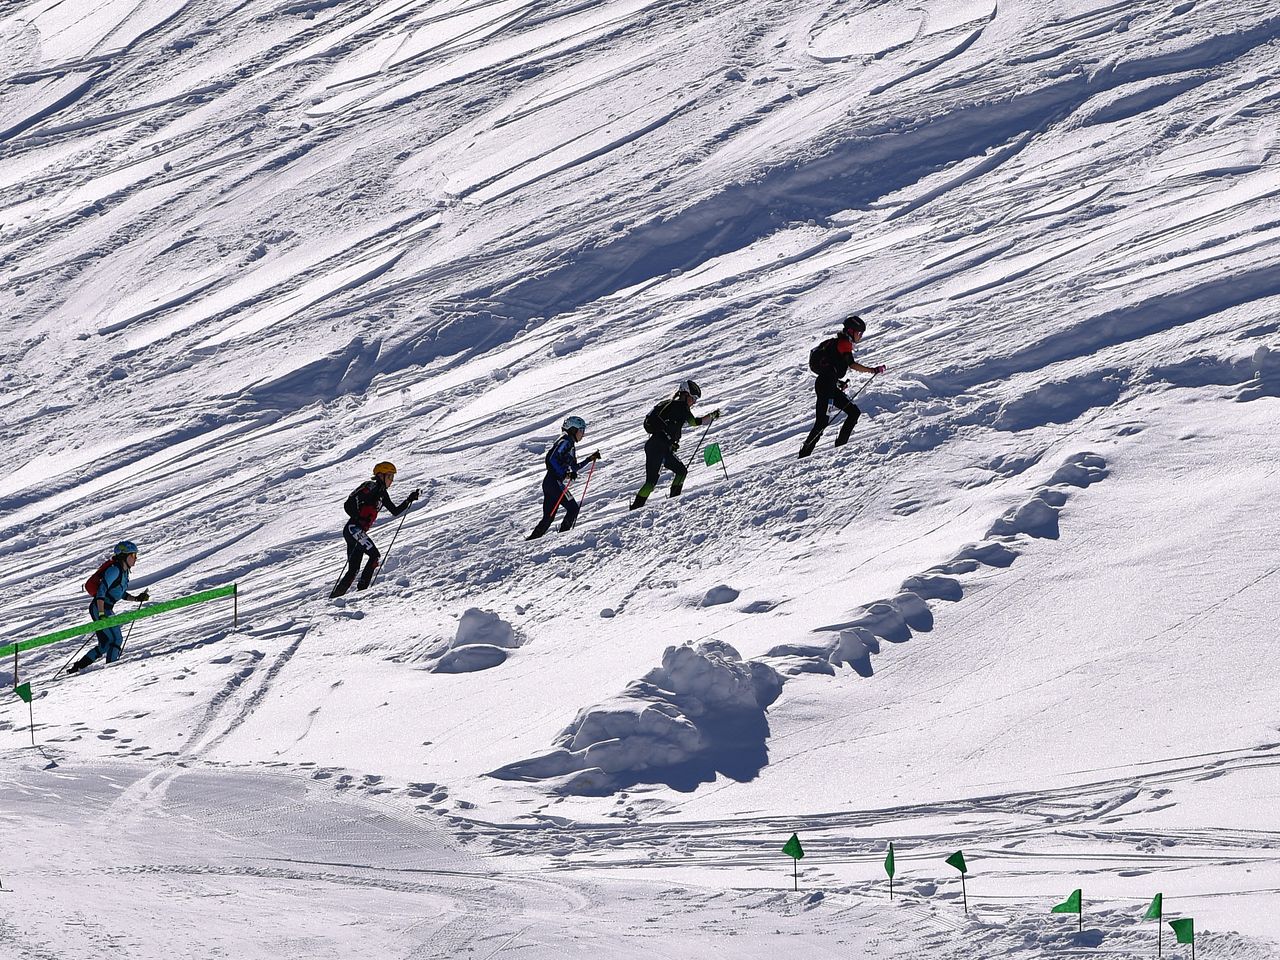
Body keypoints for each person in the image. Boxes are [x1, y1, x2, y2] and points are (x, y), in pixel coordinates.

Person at [798, 315, 886, 458]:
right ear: (851, 331)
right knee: (822, 422)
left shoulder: (837, 343)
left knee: (853, 412)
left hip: (829, 385)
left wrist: (838, 383)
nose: (860, 336)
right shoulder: (844, 343)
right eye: (859, 333)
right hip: (826, 387)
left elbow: (829, 369)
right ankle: (804, 455)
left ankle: (840, 448)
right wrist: (872, 370)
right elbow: (851, 364)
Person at [330, 462, 419, 598]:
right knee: (374, 556)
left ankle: (335, 597)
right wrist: (357, 517)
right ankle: (362, 591)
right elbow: (349, 504)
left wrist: (408, 500)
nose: (391, 480)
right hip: (353, 529)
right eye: (389, 476)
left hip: (355, 531)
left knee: (353, 570)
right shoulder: (371, 486)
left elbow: (394, 511)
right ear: (380, 475)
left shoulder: (382, 494)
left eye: (392, 477)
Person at [630, 380, 721, 509]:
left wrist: (670, 443)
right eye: (693, 398)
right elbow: (694, 422)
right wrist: (712, 415)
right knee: (652, 482)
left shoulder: (672, 405)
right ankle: (636, 509)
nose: (694, 402)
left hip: (659, 446)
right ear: (685, 394)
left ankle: (671, 502)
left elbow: (670, 427)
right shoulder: (681, 406)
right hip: (657, 447)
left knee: (681, 471)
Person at [68, 541, 150, 673]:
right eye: (133, 555)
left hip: (104, 608)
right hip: (99, 608)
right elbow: (102, 591)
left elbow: (119, 593)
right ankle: (112, 671)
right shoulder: (114, 570)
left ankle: (78, 667)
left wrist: (136, 598)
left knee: (106, 643)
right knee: (116, 639)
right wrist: (101, 614)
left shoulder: (123, 572)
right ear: (124, 556)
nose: (136, 558)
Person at [528, 416, 601, 540]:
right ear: (573, 430)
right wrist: (565, 474)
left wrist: (589, 459)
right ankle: (563, 538)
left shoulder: (570, 444)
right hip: (554, 482)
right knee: (573, 509)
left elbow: (575, 468)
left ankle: (531, 541)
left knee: (549, 517)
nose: (583, 434)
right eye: (581, 430)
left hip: (550, 483)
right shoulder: (566, 441)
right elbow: (551, 458)